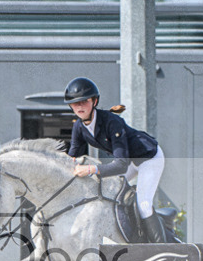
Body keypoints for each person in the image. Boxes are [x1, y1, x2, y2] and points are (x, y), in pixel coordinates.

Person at [64, 77, 166, 243]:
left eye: (85, 101)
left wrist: (91, 169)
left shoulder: (112, 122)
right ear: (70, 106)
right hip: (130, 160)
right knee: (110, 192)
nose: (80, 107)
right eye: (76, 103)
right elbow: (72, 157)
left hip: (149, 158)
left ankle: (163, 249)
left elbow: (120, 165)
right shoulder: (78, 127)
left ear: (95, 101)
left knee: (144, 204)